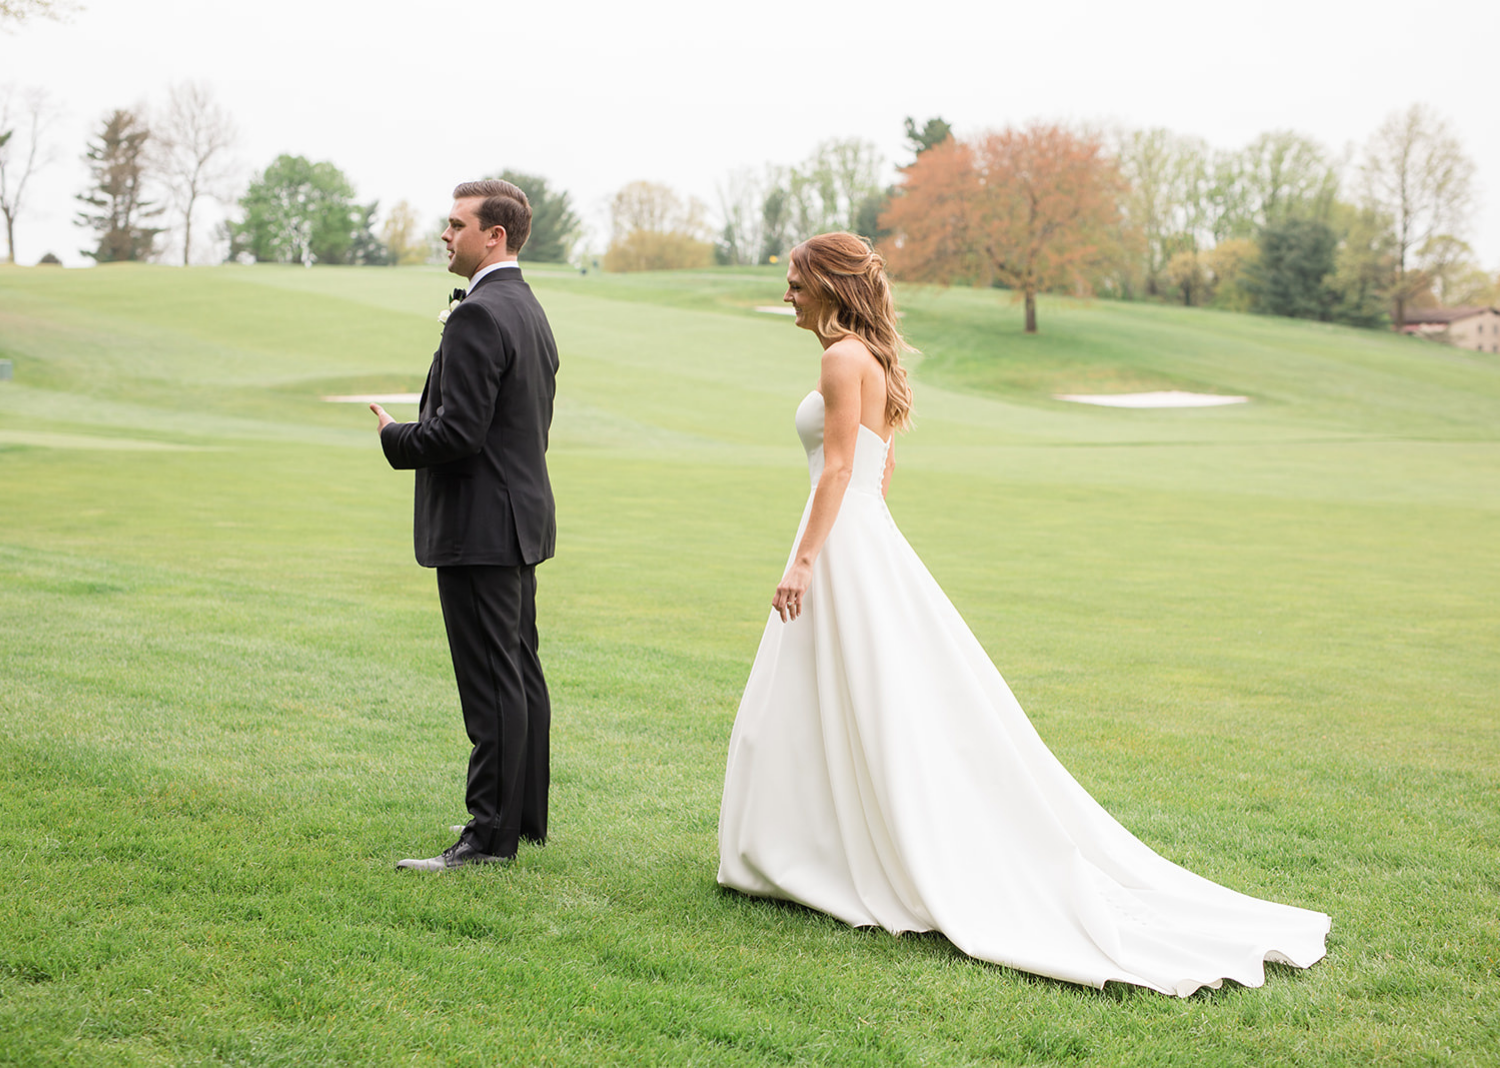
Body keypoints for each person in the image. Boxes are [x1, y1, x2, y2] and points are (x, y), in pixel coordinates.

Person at [716, 232, 1330, 995]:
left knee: (842, 701)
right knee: (851, 702)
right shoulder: (871, 362)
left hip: (842, 543)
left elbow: (839, 467)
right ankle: (824, 849)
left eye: (796, 281)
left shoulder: (842, 360)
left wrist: (805, 561)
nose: (787, 294)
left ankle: (816, 853)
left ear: (830, 286)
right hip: (864, 538)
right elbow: (880, 468)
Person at [371, 179, 558, 871]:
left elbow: (458, 434)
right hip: (518, 518)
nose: (445, 236)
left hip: (481, 525)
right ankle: (524, 821)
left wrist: (396, 437)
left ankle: (486, 839)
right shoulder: (529, 308)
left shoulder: (482, 314)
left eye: (455, 224)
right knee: (518, 673)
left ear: (494, 237)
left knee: (491, 683)